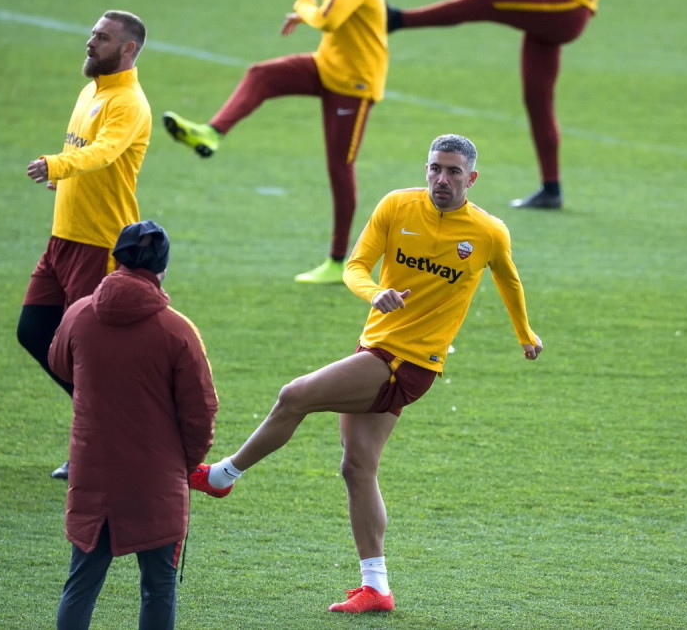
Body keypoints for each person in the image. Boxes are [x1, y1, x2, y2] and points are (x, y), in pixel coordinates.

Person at [189, 134, 543, 613]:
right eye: (436, 168)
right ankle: (376, 587)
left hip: (407, 364)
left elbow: (508, 277)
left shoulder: (487, 231)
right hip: (375, 349)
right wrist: (374, 292)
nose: (442, 178)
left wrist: (525, 334)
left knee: (294, 396)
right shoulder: (397, 207)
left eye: (454, 171)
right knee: (357, 468)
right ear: (426, 169)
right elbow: (355, 266)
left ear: (472, 178)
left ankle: (224, 475)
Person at [163, 0, 388, 285]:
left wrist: (303, 6)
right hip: (328, 65)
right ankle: (211, 133)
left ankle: (339, 262)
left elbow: (328, 18)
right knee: (262, 74)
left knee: (340, 167)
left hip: (354, 83)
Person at [48, 221, 220, 629]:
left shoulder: (78, 314)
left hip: (93, 471)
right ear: (162, 268)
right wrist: (184, 464)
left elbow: (59, 364)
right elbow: (201, 411)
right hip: (155, 478)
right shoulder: (177, 330)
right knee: (159, 586)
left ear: (117, 258)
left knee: (81, 584)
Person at [20, 10, 152, 479]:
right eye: (92, 32)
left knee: (89, 353)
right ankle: (112, 430)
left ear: (128, 49)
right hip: (62, 238)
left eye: (102, 37)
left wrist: (57, 166)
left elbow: (103, 153)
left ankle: (102, 444)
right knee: (33, 331)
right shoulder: (91, 90)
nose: (90, 41)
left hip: (98, 243)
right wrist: (65, 182)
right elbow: (84, 153)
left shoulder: (129, 103)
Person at [386, 0, 623, 210]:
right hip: (554, 7)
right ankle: (551, 189)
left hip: (566, 6)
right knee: (537, 100)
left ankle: (395, 19)